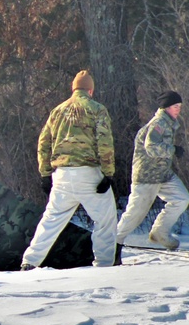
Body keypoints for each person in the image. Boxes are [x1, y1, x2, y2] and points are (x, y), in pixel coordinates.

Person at [21, 70, 118, 270]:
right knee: (105, 219)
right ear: (90, 90)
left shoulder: (57, 111)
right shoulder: (97, 109)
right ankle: (105, 264)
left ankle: (30, 261)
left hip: (62, 175)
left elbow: (43, 143)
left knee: (52, 220)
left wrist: (45, 173)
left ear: (73, 89)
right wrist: (108, 173)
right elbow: (105, 142)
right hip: (88, 172)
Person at [114, 90, 189, 260]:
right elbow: (151, 146)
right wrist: (173, 150)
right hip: (147, 177)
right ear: (166, 107)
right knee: (135, 214)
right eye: (175, 106)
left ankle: (160, 232)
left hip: (163, 175)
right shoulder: (159, 123)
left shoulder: (169, 123)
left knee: (181, 198)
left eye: (179, 106)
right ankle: (113, 244)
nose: (178, 109)